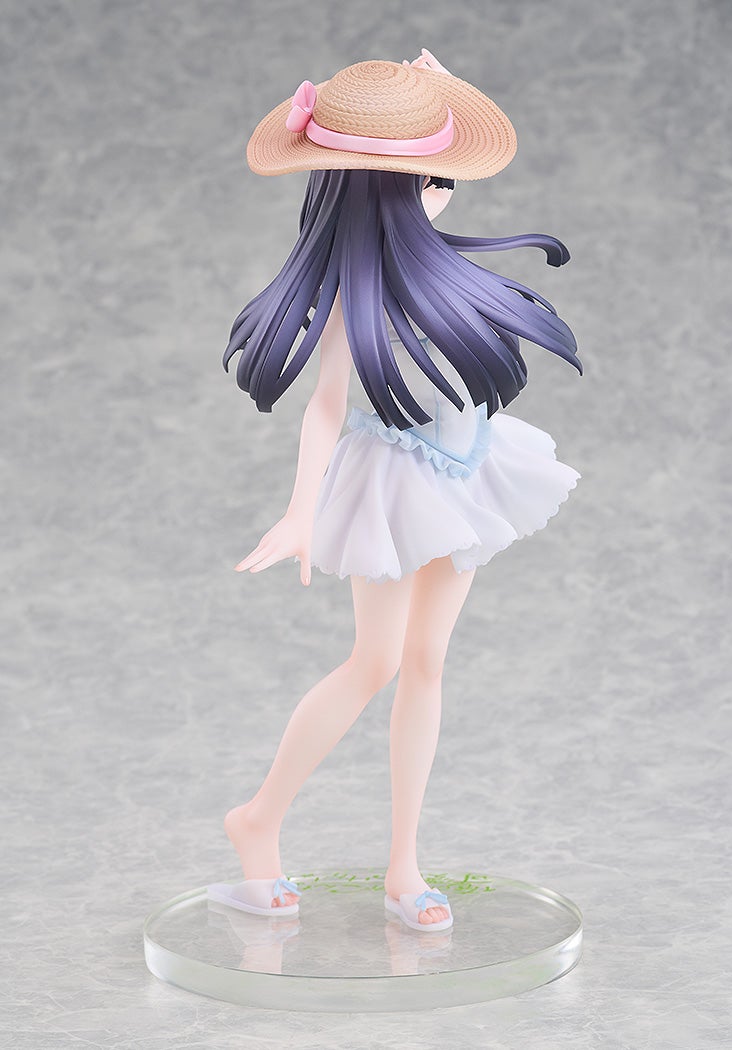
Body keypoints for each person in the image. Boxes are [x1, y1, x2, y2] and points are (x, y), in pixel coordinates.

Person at [207, 49, 583, 933]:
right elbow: (325, 404)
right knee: (373, 661)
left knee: (428, 663)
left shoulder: (445, 271)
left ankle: (403, 865)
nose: (439, 194)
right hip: (394, 481)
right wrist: (300, 508)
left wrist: (431, 88)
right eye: (424, 181)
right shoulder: (357, 290)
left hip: (469, 473)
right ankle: (256, 820)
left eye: (441, 177)